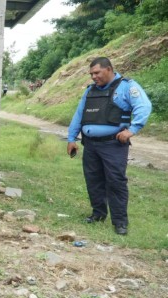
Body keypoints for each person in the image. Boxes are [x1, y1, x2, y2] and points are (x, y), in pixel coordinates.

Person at [67, 57, 151, 235]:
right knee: (93, 181)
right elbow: (79, 114)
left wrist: (133, 129)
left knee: (115, 182)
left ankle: (120, 222)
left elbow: (143, 106)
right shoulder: (90, 91)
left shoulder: (127, 86)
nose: (93, 77)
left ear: (109, 69)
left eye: (97, 73)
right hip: (90, 145)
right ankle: (98, 214)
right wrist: (71, 138)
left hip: (113, 145)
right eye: (91, 74)